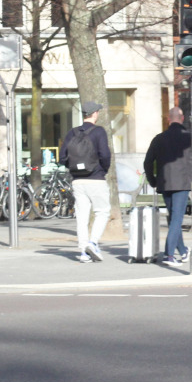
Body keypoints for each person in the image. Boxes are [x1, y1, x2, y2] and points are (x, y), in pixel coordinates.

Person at [60, 100, 112, 263]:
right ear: (95, 114)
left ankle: (83, 252)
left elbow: (62, 157)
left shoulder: (72, 133)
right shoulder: (99, 132)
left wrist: (74, 169)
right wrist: (103, 170)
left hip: (78, 181)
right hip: (96, 179)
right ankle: (93, 242)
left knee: (82, 217)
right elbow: (105, 154)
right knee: (102, 212)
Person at [142, 106, 192, 263]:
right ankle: (169, 254)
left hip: (164, 183)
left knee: (173, 219)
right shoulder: (189, 137)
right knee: (177, 219)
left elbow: (148, 162)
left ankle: (183, 251)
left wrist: (153, 180)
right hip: (182, 183)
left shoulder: (159, 138)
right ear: (182, 118)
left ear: (168, 119)